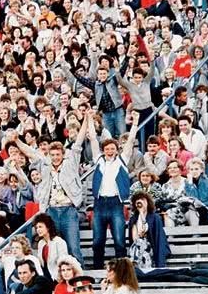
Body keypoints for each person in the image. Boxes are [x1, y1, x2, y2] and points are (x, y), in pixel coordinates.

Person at [12, 120, 88, 265]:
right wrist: (17, 141)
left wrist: (86, 120)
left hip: (68, 209)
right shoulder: (45, 164)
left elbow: (78, 142)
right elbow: (31, 152)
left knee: (73, 246)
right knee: (54, 247)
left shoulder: (70, 162)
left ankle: (79, 278)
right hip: (51, 210)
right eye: (52, 155)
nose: (55, 157)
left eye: (58, 154)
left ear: (62, 154)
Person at [88, 111, 131, 269]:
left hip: (115, 203)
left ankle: (122, 269)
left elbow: (131, 140)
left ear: (117, 149)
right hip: (100, 204)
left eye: (113, 148)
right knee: (98, 240)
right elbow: (93, 139)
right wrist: (88, 118)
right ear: (104, 150)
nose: (110, 151)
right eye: (107, 148)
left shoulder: (121, 160)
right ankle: (98, 270)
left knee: (119, 240)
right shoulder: (99, 160)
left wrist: (135, 124)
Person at [127, 192, 171, 268]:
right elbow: (135, 239)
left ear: (148, 202)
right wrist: (140, 213)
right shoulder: (133, 219)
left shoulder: (155, 217)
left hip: (152, 249)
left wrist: (160, 264)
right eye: (138, 200)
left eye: (143, 200)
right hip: (138, 250)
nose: (140, 202)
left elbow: (159, 239)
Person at [33, 213, 68, 282]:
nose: (38, 230)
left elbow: (64, 262)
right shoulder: (41, 243)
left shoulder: (59, 242)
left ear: (48, 227)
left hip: (56, 277)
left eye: (40, 227)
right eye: (36, 228)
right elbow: (41, 263)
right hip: (45, 275)